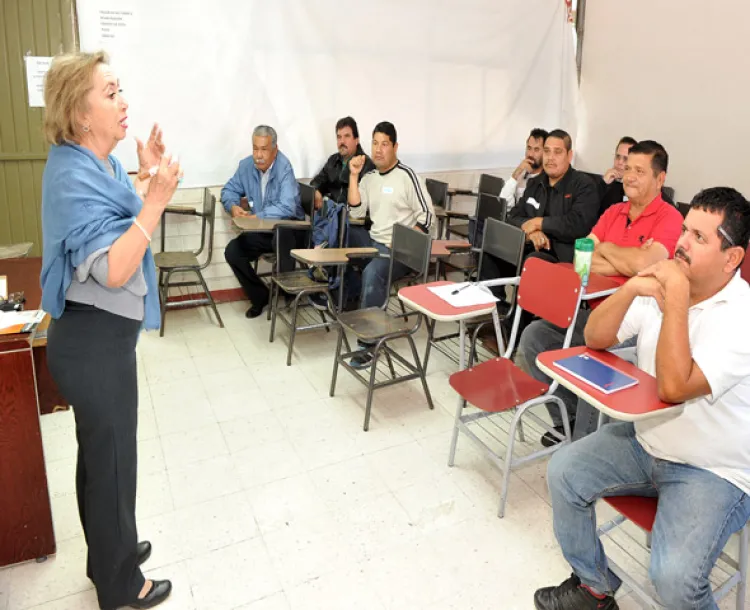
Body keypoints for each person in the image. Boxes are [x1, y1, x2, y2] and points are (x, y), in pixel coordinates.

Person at [535, 186, 750, 610]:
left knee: (672, 580)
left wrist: (677, 299)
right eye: (685, 230)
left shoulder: (740, 317)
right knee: (563, 471)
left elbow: (673, 387)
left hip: (713, 469)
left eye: (699, 238)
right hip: (646, 441)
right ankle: (595, 586)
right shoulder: (664, 285)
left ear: (732, 258)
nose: (682, 243)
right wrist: (633, 287)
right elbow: (596, 336)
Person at [40, 51, 175, 609]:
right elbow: (117, 267)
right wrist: (158, 201)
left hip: (101, 340)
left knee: (101, 459)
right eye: (112, 93)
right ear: (79, 113)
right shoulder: (71, 175)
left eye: (122, 91)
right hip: (92, 344)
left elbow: (118, 217)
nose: (125, 103)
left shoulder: (101, 164)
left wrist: (143, 179)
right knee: (114, 461)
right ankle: (122, 586)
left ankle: (108, 554)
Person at [519, 140, 683, 446]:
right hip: (593, 310)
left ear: (660, 179)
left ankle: (586, 442)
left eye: (639, 171)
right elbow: (583, 257)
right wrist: (624, 259)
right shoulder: (614, 211)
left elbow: (647, 264)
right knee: (535, 337)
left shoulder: (669, 218)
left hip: (633, 324)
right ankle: (567, 419)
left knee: (592, 355)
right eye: (627, 169)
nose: (629, 176)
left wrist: (607, 251)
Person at [346, 121, 435, 368]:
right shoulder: (370, 177)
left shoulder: (408, 176)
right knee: (344, 236)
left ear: (395, 147)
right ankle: (354, 312)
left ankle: (368, 343)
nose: (378, 149)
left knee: (373, 272)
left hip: (401, 251)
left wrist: (408, 242)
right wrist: (354, 175)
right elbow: (355, 211)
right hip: (375, 242)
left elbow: (427, 216)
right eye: (374, 143)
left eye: (384, 144)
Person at [222, 125, 304, 318]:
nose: (258, 155)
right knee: (233, 252)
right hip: (263, 230)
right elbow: (228, 191)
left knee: (281, 239)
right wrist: (233, 207)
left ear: (274, 150)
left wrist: (257, 216)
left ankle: (289, 295)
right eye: (255, 148)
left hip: (290, 229)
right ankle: (261, 296)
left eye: (264, 149)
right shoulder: (246, 166)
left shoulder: (284, 167)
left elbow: (287, 207)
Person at [506, 129, 600, 265]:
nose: (550, 157)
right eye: (547, 151)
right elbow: (513, 216)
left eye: (557, 152)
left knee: (534, 262)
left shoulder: (584, 185)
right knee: (490, 255)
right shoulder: (535, 182)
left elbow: (578, 224)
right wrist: (531, 233)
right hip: (528, 247)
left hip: (561, 257)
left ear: (569, 155)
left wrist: (539, 223)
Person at [310, 116, 375, 207]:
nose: (342, 141)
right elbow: (316, 182)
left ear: (356, 140)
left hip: (351, 219)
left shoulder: (367, 165)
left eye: (347, 136)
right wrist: (316, 191)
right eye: (339, 137)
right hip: (331, 216)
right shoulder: (333, 160)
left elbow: (366, 205)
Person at [499, 128, 548, 210]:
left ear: (545, 152)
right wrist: (516, 174)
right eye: (529, 148)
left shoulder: (547, 180)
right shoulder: (522, 174)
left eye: (536, 149)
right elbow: (504, 204)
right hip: (514, 218)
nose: (531, 154)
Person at [596, 136, 637, 214]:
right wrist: (603, 185)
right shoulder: (605, 184)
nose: (620, 162)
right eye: (618, 157)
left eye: (625, 159)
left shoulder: (639, 189)